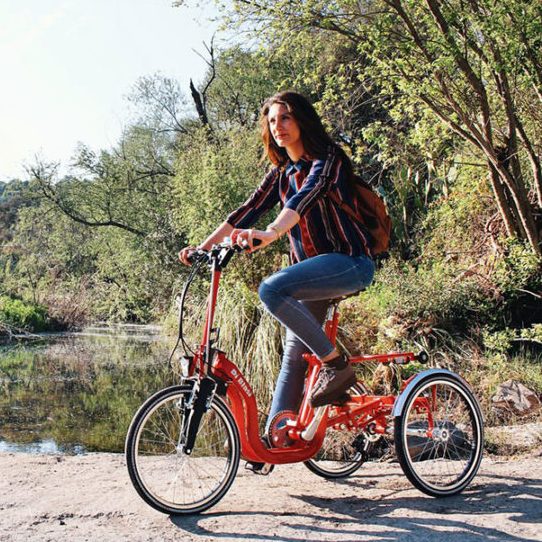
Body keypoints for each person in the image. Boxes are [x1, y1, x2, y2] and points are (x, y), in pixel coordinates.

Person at [179, 91, 375, 433]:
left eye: (285, 117)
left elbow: (304, 198)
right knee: (293, 357)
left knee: (271, 289)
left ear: (301, 120)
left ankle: (336, 366)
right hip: (312, 276)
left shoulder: (327, 160)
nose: (278, 126)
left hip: (350, 262)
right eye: (272, 121)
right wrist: (203, 247)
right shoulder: (281, 173)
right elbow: (245, 210)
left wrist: (269, 233)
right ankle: (275, 439)